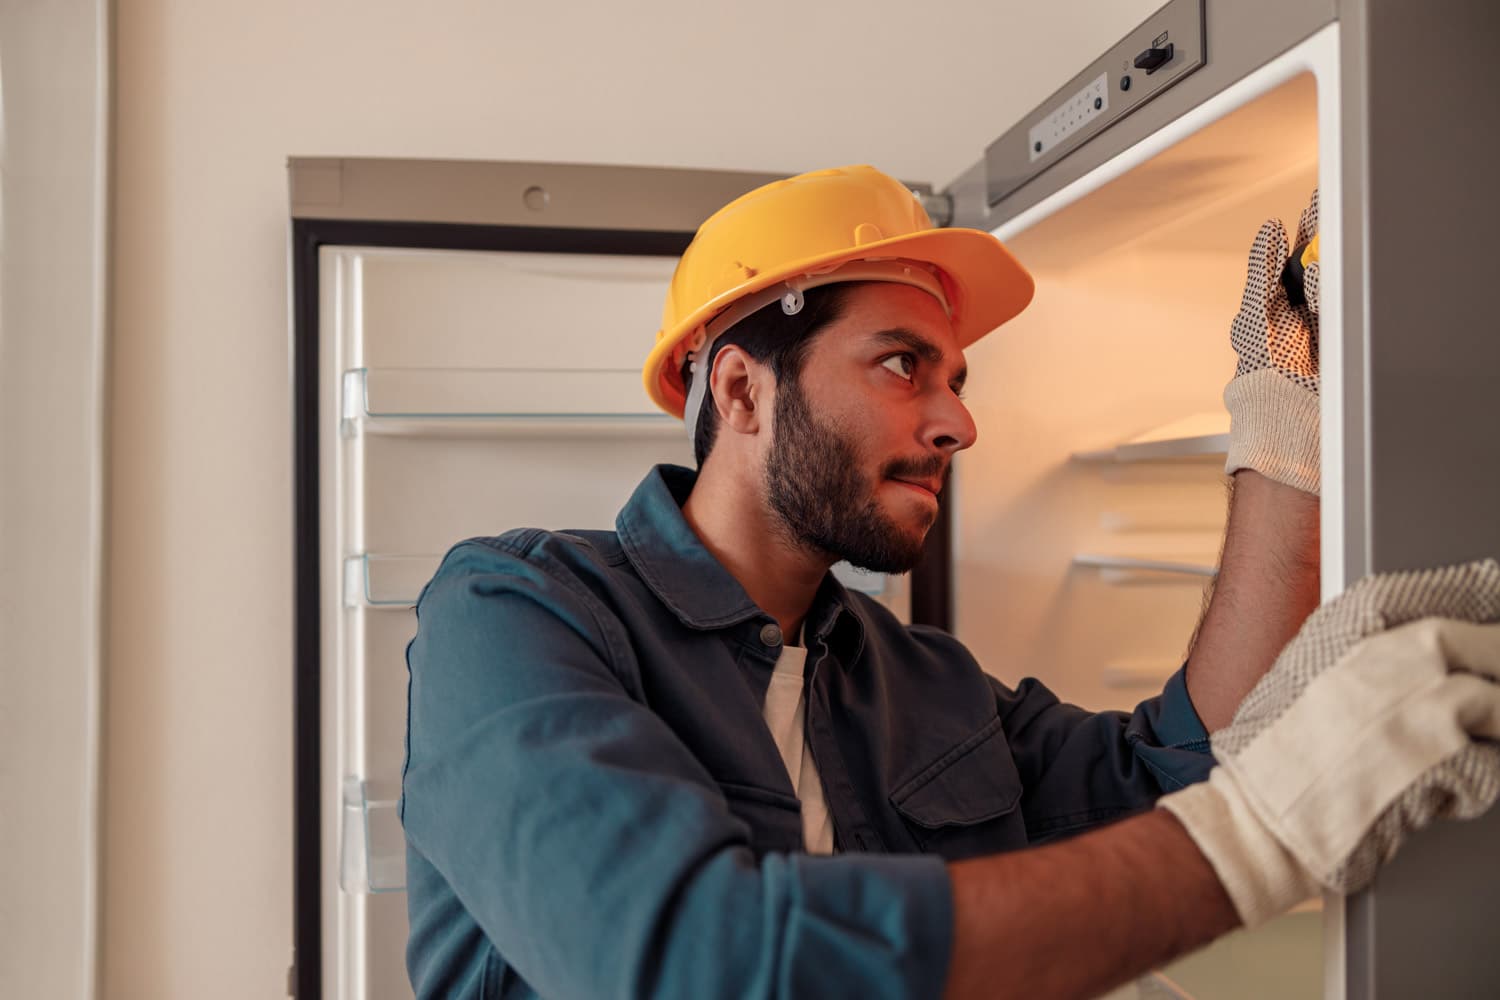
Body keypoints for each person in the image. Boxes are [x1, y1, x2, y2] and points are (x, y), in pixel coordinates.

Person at [400, 165, 1500, 999]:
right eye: (900, 365)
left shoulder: (923, 683)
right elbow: (693, 955)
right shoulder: (513, 614)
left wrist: (1283, 428)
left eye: (956, 377)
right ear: (739, 390)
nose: (957, 420)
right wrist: (1264, 838)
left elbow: (1180, 771)